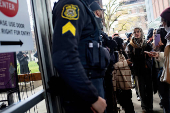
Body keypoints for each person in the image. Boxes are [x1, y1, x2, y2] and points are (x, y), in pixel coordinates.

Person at [51, 0, 109, 112]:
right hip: (83, 92)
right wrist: (92, 97)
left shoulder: (81, 5)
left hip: (89, 85)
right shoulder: (71, 5)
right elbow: (65, 56)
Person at [89, 2, 118, 113]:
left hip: (103, 72)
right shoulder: (93, 31)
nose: (102, 14)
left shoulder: (98, 30)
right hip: (99, 74)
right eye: (101, 11)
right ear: (97, 12)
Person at [148, 7, 170, 113]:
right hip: (162, 66)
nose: (162, 23)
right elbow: (156, 46)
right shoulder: (159, 32)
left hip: (163, 67)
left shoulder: (158, 32)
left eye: (163, 21)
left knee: (166, 95)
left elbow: (156, 47)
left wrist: (157, 51)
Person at [127, 27, 153, 113]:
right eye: (134, 32)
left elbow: (152, 54)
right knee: (141, 89)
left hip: (147, 69)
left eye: (138, 32)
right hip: (137, 70)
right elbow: (129, 58)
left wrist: (149, 54)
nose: (136, 33)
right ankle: (144, 107)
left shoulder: (147, 43)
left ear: (141, 32)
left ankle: (150, 106)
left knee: (149, 88)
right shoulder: (130, 45)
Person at [112, 37, 135, 113]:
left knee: (128, 101)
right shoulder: (114, 53)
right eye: (122, 43)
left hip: (125, 81)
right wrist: (126, 63)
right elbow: (113, 65)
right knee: (126, 102)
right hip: (120, 82)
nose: (123, 45)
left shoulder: (121, 52)